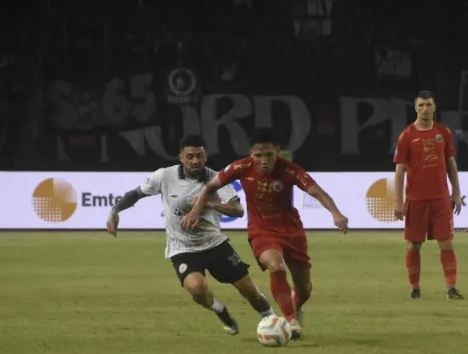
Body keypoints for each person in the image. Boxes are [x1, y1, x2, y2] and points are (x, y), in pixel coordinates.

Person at [181, 128, 349, 339]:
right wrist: (196, 210)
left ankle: (295, 307)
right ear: (251, 153)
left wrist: (336, 213)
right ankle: (289, 320)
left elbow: (316, 191)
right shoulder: (241, 167)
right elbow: (210, 186)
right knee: (275, 265)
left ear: (277, 151)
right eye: (258, 155)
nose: (263, 160)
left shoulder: (289, 170)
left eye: (268, 154)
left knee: (304, 289)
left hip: (292, 232)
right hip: (261, 231)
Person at [106, 135, 275, 335]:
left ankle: (272, 320)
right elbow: (136, 193)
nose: (195, 160)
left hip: (215, 245)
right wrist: (114, 211)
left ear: (206, 157)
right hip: (182, 248)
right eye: (190, 156)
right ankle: (220, 310)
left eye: (199, 156)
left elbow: (237, 210)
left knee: (249, 291)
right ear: (181, 157)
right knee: (196, 288)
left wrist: (206, 203)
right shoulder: (164, 176)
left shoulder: (219, 178)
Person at [393, 90, 464, 300]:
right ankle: (415, 288)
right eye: (421, 105)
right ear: (415, 108)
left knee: (447, 243)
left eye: (428, 105)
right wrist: (398, 201)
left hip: (441, 199)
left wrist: (456, 193)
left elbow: (451, 163)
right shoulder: (407, 136)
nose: (425, 109)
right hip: (416, 200)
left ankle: (451, 288)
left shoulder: (444, 132)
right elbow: (399, 171)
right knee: (414, 244)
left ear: (434, 107)